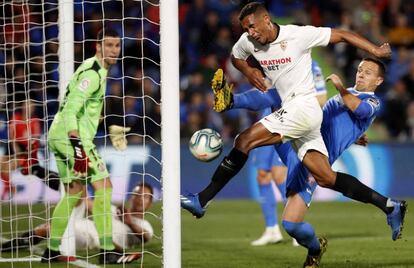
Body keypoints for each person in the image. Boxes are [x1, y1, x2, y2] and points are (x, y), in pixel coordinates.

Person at [181, 3, 405, 267]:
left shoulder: (297, 36)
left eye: (253, 26)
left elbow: (341, 35)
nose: (250, 33)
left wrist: (375, 49)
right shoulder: (247, 41)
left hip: (304, 108)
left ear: (266, 19)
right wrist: (248, 70)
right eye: (245, 28)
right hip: (301, 116)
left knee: (244, 140)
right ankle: (389, 206)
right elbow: (235, 56)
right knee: (324, 178)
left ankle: (202, 199)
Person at [214, 58, 403, 267]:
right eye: (360, 70)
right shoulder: (348, 95)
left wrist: (340, 87)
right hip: (301, 144)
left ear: (379, 80)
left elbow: (361, 111)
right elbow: (328, 119)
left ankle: (315, 248)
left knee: (291, 225)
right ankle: (231, 101)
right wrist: (354, 135)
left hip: (314, 158)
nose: (361, 74)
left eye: (368, 72)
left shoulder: (371, 101)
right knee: (278, 97)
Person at [42, 28, 132, 264]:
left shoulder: (95, 69)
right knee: (104, 186)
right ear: (98, 46)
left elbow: (81, 108)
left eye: (117, 45)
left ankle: (51, 250)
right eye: (109, 45)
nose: (114, 50)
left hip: (57, 136)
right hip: (72, 138)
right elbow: (71, 109)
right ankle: (106, 249)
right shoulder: (92, 74)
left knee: (73, 193)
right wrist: (79, 149)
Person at [237, 60, 327, 246]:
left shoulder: (311, 65)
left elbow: (321, 98)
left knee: (279, 174)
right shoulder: (276, 59)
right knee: (262, 175)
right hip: (267, 117)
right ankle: (271, 230)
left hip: (288, 121)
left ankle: (296, 224)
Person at [1, 182, 154, 254]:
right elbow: (89, 203)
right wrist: (82, 184)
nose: (140, 199)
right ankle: (15, 244)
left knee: (54, 229)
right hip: (86, 225)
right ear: (132, 197)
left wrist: (129, 222)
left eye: (145, 196)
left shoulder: (144, 224)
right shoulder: (115, 210)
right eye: (137, 194)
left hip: (94, 239)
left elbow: (145, 236)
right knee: (51, 225)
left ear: (150, 202)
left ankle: (12, 246)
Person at [0, 98, 60, 200]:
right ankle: (9, 188)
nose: (28, 107)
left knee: (7, 167)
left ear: (33, 108)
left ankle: (9, 189)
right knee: (1, 165)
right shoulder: (16, 117)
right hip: (13, 148)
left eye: (30, 105)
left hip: (26, 151)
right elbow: (11, 136)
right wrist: (15, 149)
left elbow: (35, 139)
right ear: (23, 106)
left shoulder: (34, 121)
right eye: (26, 105)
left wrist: (28, 143)